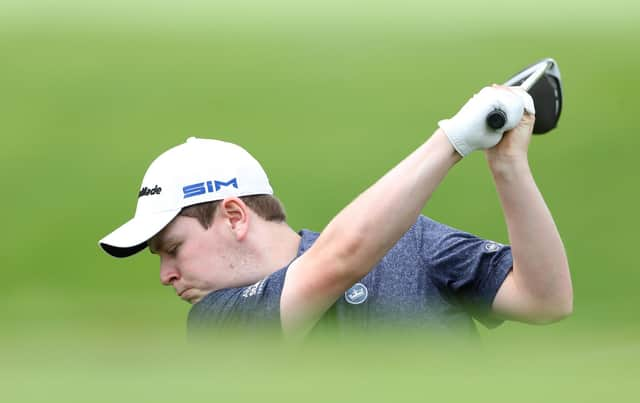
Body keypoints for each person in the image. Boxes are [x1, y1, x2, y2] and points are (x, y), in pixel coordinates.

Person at [99, 86, 573, 339]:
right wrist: (455, 139)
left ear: (236, 216)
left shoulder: (415, 243)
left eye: (172, 249)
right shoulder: (215, 325)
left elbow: (545, 301)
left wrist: (508, 166)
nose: (165, 275)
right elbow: (338, 261)